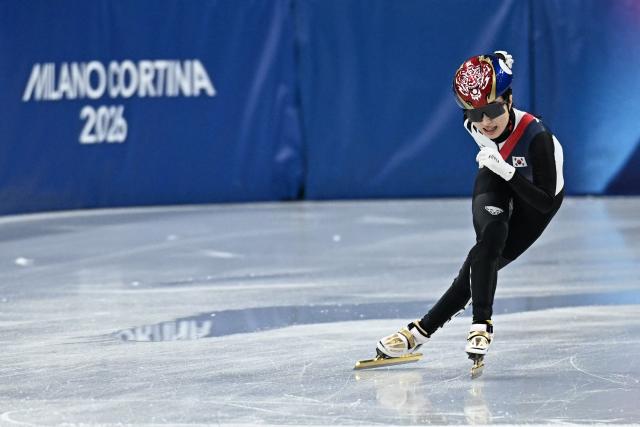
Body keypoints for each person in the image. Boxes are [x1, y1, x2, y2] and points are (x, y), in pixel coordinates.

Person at [376, 51, 565, 364]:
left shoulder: (538, 138)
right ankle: (480, 326)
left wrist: (508, 171)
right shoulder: (473, 122)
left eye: (492, 110)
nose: (485, 122)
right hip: (497, 174)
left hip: (538, 197)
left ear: (509, 99)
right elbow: (481, 114)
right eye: (475, 113)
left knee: (473, 271)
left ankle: (420, 332)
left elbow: (544, 203)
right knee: (488, 243)